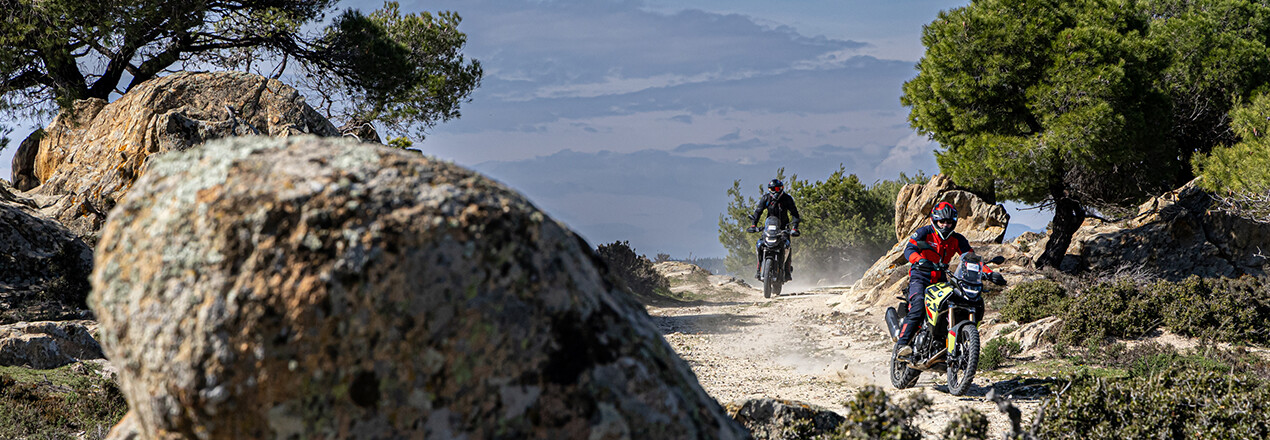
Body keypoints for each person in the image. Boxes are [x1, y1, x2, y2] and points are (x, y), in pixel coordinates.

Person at [894, 201, 1000, 358]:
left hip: (941, 278)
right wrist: (919, 260)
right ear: (935, 220)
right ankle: (902, 345)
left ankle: (945, 342)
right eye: (942, 221)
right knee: (919, 304)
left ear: (954, 222)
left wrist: (989, 273)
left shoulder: (958, 239)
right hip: (920, 276)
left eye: (949, 222)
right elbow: (909, 249)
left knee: (954, 302)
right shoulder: (924, 232)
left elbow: (971, 258)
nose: (945, 225)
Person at [746, 179, 801, 280]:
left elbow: (794, 213)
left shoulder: (787, 198)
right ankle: (758, 269)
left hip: (783, 228)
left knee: (787, 246)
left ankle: (787, 272)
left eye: (777, 188)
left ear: (781, 188)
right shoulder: (766, 198)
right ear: (769, 189)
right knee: (760, 244)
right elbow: (758, 211)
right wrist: (753, 225)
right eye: (772, 189)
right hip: (769, 228)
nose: (775, 191)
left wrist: (795, 228)